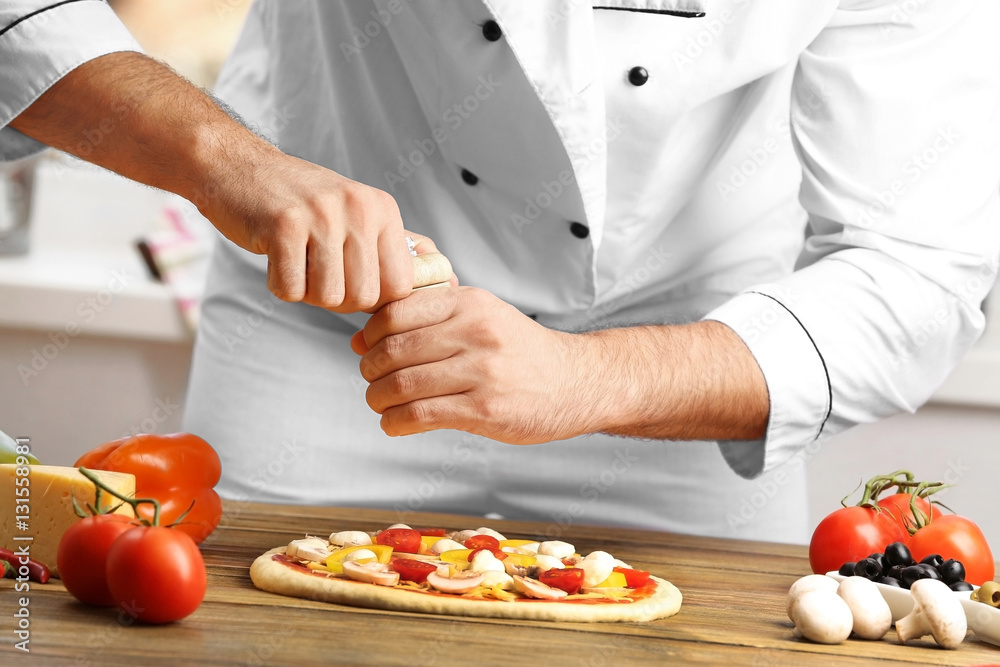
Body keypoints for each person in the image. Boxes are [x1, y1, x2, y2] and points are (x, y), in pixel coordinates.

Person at [6, 0, 998, 543]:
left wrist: (585, 377)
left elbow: (914, 265)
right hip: (318, 334)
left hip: (684, 371)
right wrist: (226, 162)